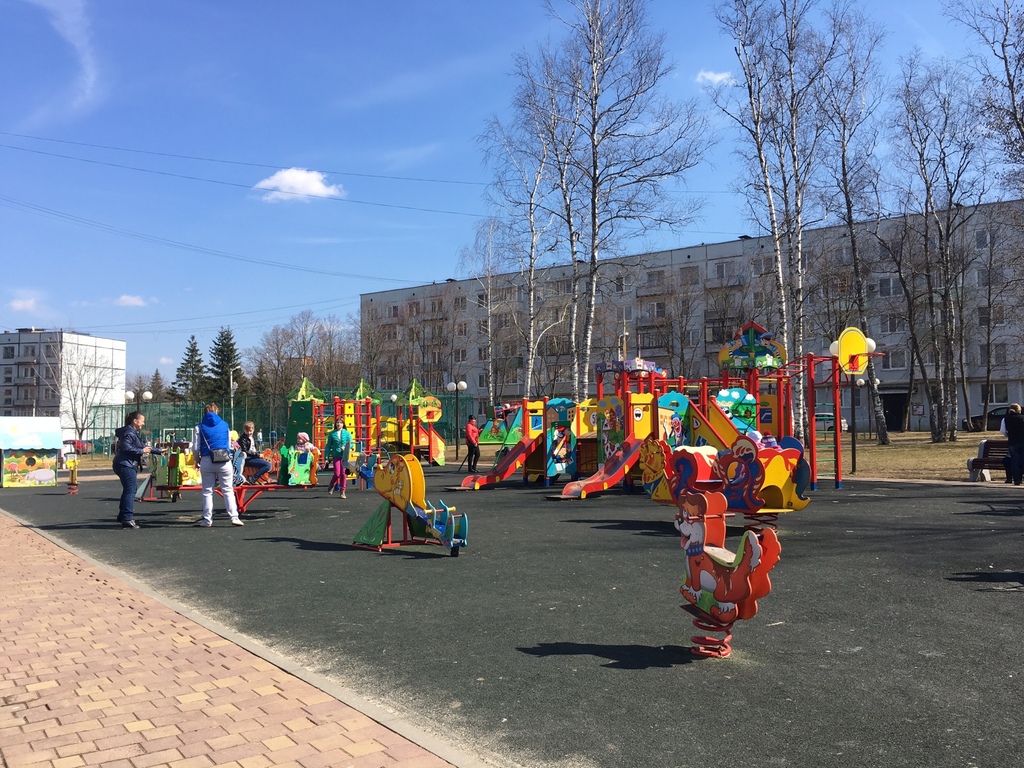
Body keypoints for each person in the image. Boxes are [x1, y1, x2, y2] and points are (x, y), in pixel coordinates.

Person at [191, 403, 244, 527]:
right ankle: (234, 517)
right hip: (224, 460)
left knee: (207, 491)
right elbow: (228, 444)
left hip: (207, 460)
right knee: (228, 490)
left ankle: (207, 520)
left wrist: (196, 460)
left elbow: (195, 447)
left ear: (204, 413)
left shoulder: (199, 427)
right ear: (217, 411)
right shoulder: (225, 425)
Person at [112, 410, 160, 529]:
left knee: (128, 489)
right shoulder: (130, 432)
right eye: (142, 421)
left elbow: (142, 446)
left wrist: (158, 451)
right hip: (126, 464)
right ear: (135, 421)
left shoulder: (132, 432)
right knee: (131, 490)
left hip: (124, 463)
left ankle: (123, 515)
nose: (143, 423)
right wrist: (141, 451)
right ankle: (127, 518)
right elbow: (126, 447)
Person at [325, 418, 353, 497]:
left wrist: (346, 446)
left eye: (341, 422)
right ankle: (331, 484)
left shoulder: (347, 433)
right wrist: (326, 458)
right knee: (337, 474)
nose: (339, 424)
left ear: (343, 424)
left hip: (344, 456)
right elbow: (328, 446)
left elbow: (352, 444)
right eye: (337, 422)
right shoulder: (332, 434)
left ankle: (342, 491)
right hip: (336, 456)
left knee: (343, 474)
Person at [1000, 403, 1024, 485]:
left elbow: (1003, 431)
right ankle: (1021, 477)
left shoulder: (1005, 419)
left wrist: (1009, 435)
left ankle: (1017, 480)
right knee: (1022, 460)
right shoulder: (1022, 418)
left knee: (1014, 461)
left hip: (1012, 442)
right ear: (1019, 410)